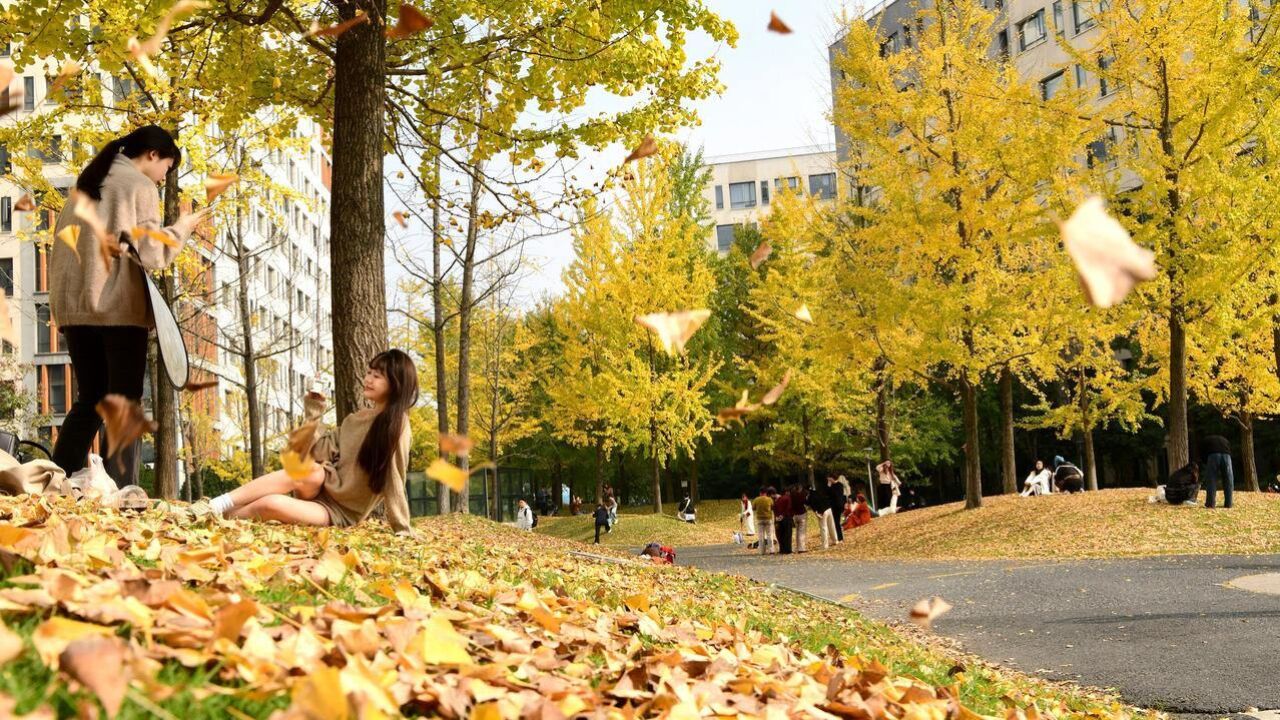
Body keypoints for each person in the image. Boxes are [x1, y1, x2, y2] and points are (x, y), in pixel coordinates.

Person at [50, 125, 210, 486]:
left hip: (76, 310)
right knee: (124, 401)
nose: (165, 175)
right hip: (116, 308)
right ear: (153, 155)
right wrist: (182, 227)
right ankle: (121, 490)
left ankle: (54, 480)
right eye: (167, 167)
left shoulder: (87, 184)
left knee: (91, 397)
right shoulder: (139, 186)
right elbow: (152, 253)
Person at [199, 350, 415, 533]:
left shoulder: (396, 425)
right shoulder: (355, 420)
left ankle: (217, 518)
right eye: (369, 372)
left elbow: (395, 477)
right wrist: (314, 412)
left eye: (377, 376)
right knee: (310, 470)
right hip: (319, 487)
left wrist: (402, 528)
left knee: (270, 503)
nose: (368, 379)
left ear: (396, 384)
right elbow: (313, 453)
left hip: (339, 512)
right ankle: (214, 506)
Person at [1200, 434, 1234, 509]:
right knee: (1228, 480)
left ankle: (1210, 503)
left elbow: (1202, 453)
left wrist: (1205, 462)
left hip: (1213, 455)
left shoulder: (1205, 440)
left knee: (1211, 479)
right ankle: (1229, 503)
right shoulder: (1225, 439)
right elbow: (1230, 449)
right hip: (1226, 455)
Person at [810, 479, 837, 549]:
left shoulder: (812, 496)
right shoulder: (822, 491)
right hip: (828, 508)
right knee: (831, 525)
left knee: (823, 527)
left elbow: (814, 505)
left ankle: (825, 545)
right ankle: (835, 540)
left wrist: (817, 512)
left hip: (822, 511)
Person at [751, 488, 775, 555]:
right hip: (768, 518)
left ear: (760, 493)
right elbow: (773, 507)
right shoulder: (769, 499)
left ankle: (762, 551)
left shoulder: (756, 499)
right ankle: (771, 550)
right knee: (770, 534)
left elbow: (753, 508)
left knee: (761, 536)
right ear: (766, 493)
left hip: (760, 519)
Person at [774, 487, 793, 554]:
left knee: (780, 534)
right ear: (786, 492)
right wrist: (783, 515)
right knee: (787, 534)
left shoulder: (778, 499)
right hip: (786, 518)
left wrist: (777, 516)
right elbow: (789, 507)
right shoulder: (788, 498)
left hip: (778, 519)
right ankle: (788, 550)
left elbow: (775, 507)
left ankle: (782, 549)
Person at [829, 476, 848, 543]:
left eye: (829, 478)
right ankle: (838, 537)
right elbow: (843, 495)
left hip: (836, 506)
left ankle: (839, 538)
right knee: (836, 522)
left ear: (832, 478)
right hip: (838, 506)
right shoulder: (840, 485)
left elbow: (834, 495)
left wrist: (829, 487)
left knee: (836, 522)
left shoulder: (835, 486)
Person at [790, 484, 809, 553]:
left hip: (794, 515)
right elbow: (806, 503)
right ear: (800, 489)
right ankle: (801, 548)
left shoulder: (792, 496)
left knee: (797, 532)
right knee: (801, 532)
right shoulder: (802, 495)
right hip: (802, 514)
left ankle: (797, 547)